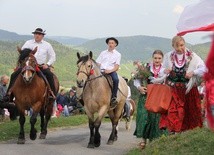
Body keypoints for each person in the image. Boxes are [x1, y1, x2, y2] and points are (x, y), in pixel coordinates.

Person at [159, 36, 206, 133]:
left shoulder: (192, 56)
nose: (180, 48)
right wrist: (165, 70)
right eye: (177, 46)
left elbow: (204, 68)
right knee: (174, 111)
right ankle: (175, 131)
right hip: (174, 89)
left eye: (182, 45)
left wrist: (193, 72)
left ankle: (189, 133)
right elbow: (161, 70)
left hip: (188, 89)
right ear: (173, 46)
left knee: (190, 112)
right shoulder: (168, 56)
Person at [4, 28, 56, 102]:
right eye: (35, 34)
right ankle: (9, 94)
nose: (37, 35)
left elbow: (53, 56)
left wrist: (47, 64)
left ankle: (51, 93)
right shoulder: (28, 43)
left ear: (42, 36)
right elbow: (22, 54)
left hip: (41, 66)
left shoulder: (47, 45)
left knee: (50, 75)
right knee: (14, 75)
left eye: (39, 34)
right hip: (27, 65)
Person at [133, 50, 168, 149]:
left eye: (159, 58)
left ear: (162, 59)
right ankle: (143, 140)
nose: (157, 60)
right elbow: (136, 80)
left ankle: (155, 140)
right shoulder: (146, 68)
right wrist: (139, 87)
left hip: (159, 96)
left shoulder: (165, 70)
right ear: (152, 58)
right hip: (146, 96)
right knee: (144, 117)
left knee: (156, 118)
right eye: (155, 58)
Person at [96, 37, 121, 108]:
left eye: (112, 43)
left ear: (115, 44)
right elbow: (97, 63)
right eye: (109, 43)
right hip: (101, 71)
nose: (110, 44)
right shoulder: (103, 53)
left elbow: (116, 67)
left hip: (111, 71)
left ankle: (113, 97)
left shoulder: (118, 54)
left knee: (116, 80)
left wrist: (109, 71)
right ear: (107, 44)